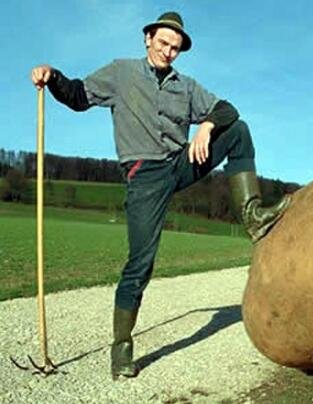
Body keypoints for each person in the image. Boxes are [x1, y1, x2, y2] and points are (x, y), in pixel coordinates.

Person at [30, 11, 290, 380]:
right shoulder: (121, 73)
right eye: (163, 42)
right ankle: (121, 349)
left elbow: (227, 109)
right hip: (144, 176)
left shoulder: (186, 86)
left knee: (238, 130)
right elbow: (77, 96)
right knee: (140, 264)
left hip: (181, 162)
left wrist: (206, 126)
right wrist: (52, 75)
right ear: (148, 38)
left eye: (175, 47)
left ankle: (252, 215)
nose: (168, 51)